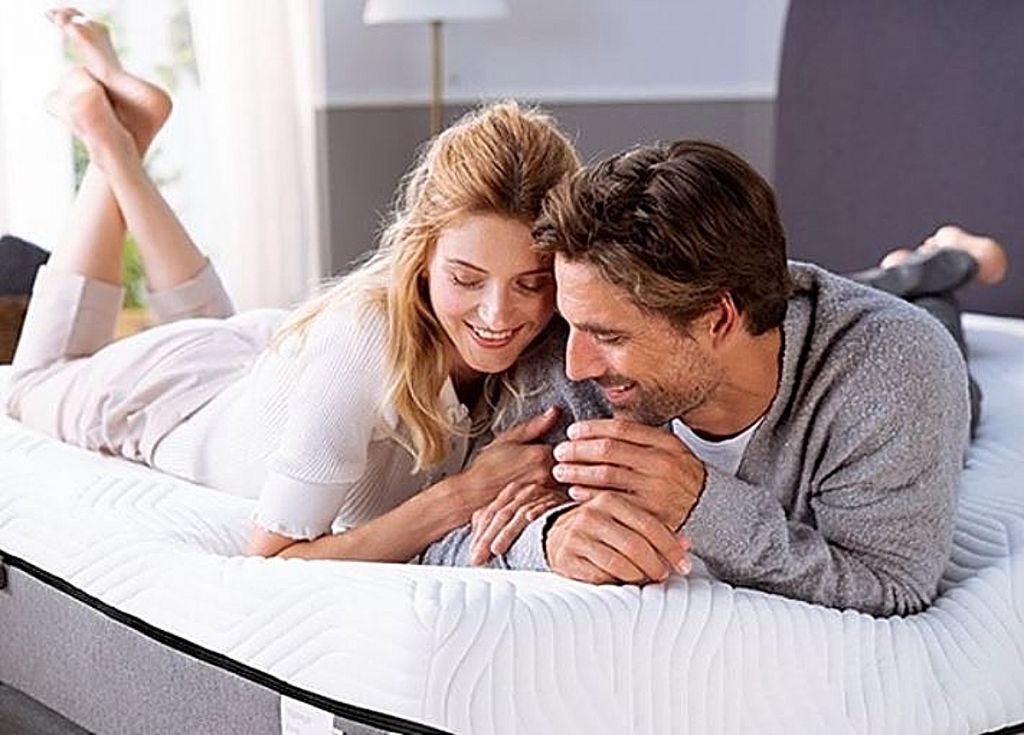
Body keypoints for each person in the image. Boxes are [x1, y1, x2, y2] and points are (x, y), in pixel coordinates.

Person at [4, 8, 592, 565]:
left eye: (531, 283)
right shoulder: (365, 340)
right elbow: (275, 556)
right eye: (466, 279)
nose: (498, 314)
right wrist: (460, 496)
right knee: (29, 386)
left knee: (212, 325)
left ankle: (128, 134)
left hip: (258, 361)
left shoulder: (562, 341)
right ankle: (109, 143)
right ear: (421, 258)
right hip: (175, 400)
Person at [423, 140, 1008, 617]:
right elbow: (450, 546)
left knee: (939, 329)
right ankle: (905, 270)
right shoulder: (572, 337)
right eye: (575, 326)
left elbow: (890, 586)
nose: (575, 366)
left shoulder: (894, 370)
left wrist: (701, 504)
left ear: (719, 319)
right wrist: (549, 538)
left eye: (610, 337)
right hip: (769, 306)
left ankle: (943, 262)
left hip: (907, 348)